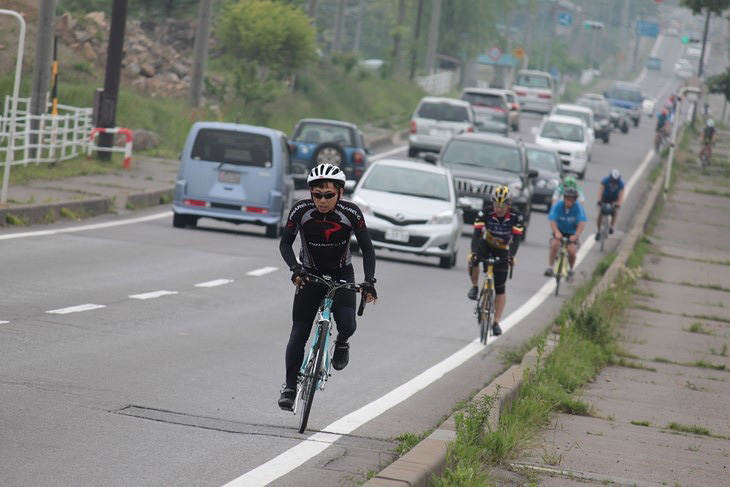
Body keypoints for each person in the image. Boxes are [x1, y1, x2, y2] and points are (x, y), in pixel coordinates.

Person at [277, 163, 377, 411]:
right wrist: (296, 268)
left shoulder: (351, 213)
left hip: (341, 272)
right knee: (298, 332)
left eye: (328, 195)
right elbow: (285, 245)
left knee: (348, 324)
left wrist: (369, 281)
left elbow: (367, 248)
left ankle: (341, 342)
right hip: (309, 273)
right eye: (317, 195)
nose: (322, 201)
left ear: (340, 193)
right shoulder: (301, 210)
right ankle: (290, 388)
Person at [466, 186, 524, 337]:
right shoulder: (484, 212)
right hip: (487, 244)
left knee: (500, 287)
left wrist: (511, 256)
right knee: (473, 259)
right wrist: (474, 253)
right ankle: (474, 286)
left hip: (503, 248)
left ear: (509, 205)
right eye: (496, 204)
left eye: (502, 205)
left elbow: (517, 239)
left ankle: (496, 322)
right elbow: (476, 235)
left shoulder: (516, 216)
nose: (498, 208)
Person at [544, 187, 586, 280]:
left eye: (571, 200)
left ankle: (571, 269)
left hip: (572, 233)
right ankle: (550, 267)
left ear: (575, 200)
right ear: (564, 198)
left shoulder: (578, 208)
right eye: (567, 199)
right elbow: (552, 220)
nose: (569, 202)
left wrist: (576, 235)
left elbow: (581, 223)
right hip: (560, 231)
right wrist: (556, 232)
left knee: (571, 251)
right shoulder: (558, 206)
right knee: (555, 245)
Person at [595, 169, 625, 239]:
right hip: (605, 198)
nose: (614, 182)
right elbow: (600, 191)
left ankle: (611, 227)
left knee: (615, 211)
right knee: (600, 212)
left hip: (614, 199)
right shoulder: (605, 181)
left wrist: (618, 204)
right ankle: (598, 230)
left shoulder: (621, 184)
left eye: (615, 181)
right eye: (613, 180)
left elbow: (621, 196)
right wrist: (599, 201)